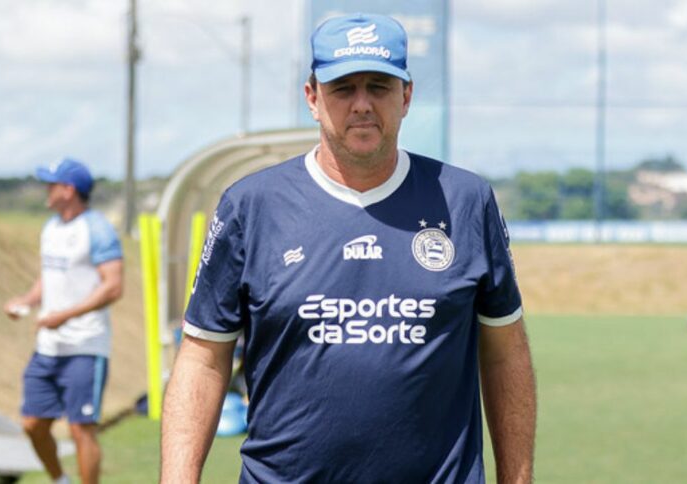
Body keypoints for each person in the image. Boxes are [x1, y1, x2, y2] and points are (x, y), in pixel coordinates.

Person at [161, 12, 536, 484]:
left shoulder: (465, 201)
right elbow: (202, 356)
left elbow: (505, 351)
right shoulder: (251, 206)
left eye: (378, 86)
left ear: (407, 97)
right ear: (312, 98)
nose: (361, 104)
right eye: (343, 88)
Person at [4, 158, 123, 484]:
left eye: (51, 183)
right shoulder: (51, 228)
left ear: (69, 190)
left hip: (86, 346)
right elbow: (49, 277)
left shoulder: (97, 229)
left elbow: (113, 286)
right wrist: (27, 301)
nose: (46, 189)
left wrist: (64, 317)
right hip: (48, 347)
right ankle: (60, 480)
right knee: (32, 424)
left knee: (80, 428)